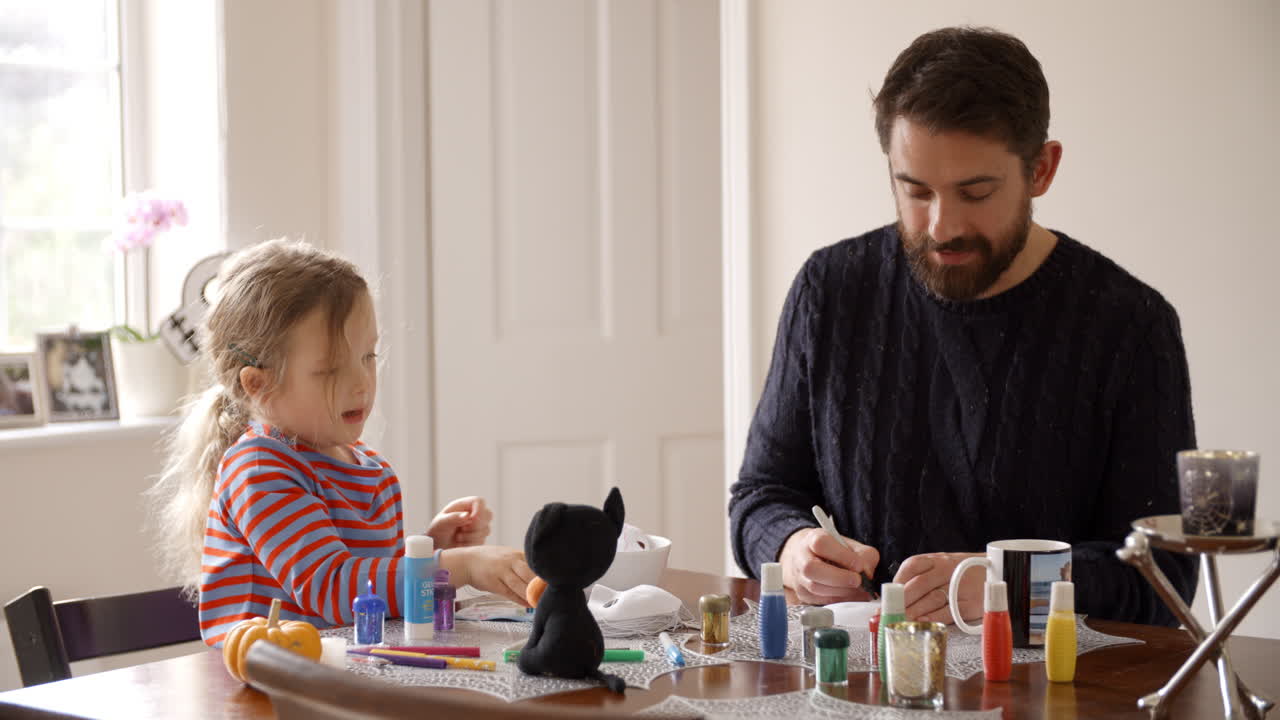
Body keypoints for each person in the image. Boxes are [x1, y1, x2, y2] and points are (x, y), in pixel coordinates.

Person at [729, 26, 1196, 627]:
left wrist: (1007, 584)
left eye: (975, 193)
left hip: (1049, 679)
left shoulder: (1131, 326)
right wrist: (792, 548)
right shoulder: (829, 290)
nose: (941, 226)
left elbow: (1165, 578)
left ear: (1041, 170)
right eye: (915, 191)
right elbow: (760, 496)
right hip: (857, 669)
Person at [148, 239, 534, 646]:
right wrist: (460, 565)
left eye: (368, 356)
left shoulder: (372, 469)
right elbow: (333, 587)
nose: (361, 382)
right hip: (258, 679)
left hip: (340, 670)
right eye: (331, 369)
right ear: (259, 385)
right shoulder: (259, 469)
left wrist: (431, 547)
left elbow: (371, 588)